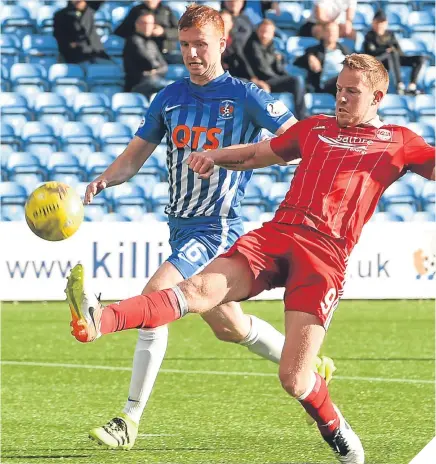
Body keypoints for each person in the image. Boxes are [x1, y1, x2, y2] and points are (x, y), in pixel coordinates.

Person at [65, 53, 435, 463]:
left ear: (377, 96)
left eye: (353, 92)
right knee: (197, 289)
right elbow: (259, 153)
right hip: (277, 235)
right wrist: (213, 156)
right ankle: (102, 319)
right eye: (339, 89)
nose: (342, 98)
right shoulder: (315, 129)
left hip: (325, 256)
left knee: (295, 380)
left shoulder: (399, 141)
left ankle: (336, 427)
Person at [69, 4, 334, 451]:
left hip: (218, 228)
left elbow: (296, 141)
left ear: (223, 44)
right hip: (180, 226)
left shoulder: (247, 95)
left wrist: (233, 155)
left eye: (201, 45)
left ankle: (128, 419)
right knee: (229, 326)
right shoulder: (168, 97)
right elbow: (134, 157)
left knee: (155, 299)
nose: (192, 53)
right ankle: (310, 366)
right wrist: (103, 179)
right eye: (186, 44)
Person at [243, 19, 307, 119]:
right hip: (262, 81)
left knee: (299, 81)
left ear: (272, 34)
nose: (264, 35)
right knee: (296, 80)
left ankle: (300, 117)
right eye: (262, 31)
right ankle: (302, 117)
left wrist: (277, 60)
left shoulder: (272, 47)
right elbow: (261, 68)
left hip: (273, 80)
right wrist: (259, 81)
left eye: (267, 32)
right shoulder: (251, 45)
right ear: (258, 31)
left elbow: (279, 69)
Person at [363, 9, 428, 95]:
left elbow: (398, 50)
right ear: (373, 23)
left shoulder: (390, 34)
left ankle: (412, 86)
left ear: (386, 24)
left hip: (394, 59)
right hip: (378, 61)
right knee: (392, 53)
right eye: (378, 22)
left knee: (420, 58)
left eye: (382, 22)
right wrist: (386, 50)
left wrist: (392, 51)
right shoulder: (369, 35)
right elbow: (370, 52)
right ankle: (399, 85)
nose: (380, 25)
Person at [294, 21, 351, 95]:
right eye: (328, 31)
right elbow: (296, 62)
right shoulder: (314, 51)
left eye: (334, 31)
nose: (331, 34)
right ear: (323, 33)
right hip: (326, 84)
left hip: (345, 84)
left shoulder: (345, 50)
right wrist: (309, 57)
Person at [123, 13, 170, 97]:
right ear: (137, 25)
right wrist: (156, 68)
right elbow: (147, 62)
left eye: (151, 24)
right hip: (137, 84)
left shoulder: (152, 43)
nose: (148, 26)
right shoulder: (133, 40)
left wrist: (154, 71)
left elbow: (164, 67)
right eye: (144, 23)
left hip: (153, 81)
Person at [53, 0, 112, 65]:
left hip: (95, 55)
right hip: (73, 57)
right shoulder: (61, 15)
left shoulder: (88, 12)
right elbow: (62, 42)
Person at [114, 0, 179, 54]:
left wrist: (163, 32)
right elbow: (121, 31)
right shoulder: (136, 11)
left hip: (165, 52)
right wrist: (140, 29)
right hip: (141, 52)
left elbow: (179, 32)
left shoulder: (167, 11)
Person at [220, 10, 251, 79]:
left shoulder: (237, 42)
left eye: (225, 21)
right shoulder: (210, 42)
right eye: (220, 21)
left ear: (231, 24)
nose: (222, 24)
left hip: (237, 76)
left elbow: (243, 61)